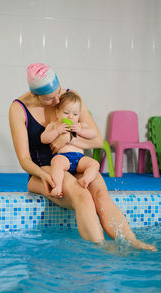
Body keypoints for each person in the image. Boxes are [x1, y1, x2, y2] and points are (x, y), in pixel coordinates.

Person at [9, 62, 157, 251]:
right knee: (83, 195)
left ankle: (132, 241)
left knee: (101, 194)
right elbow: (24, 160)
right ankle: (101, 246)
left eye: (58, 93)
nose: (57, 101)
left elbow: (96, 141)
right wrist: (45, 176)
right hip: (43, 171)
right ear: (35, 95)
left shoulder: (69, 97)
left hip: (74, 161)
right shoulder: (18, 109)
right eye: (50, 99)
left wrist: (67, 140)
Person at [41, 91, 100, 197]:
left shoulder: (80, 125)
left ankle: (85, 179)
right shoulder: (55, 125)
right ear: (57, 112)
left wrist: (80, 131)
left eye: (75, 114)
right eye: (66, 113)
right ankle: (57, 187)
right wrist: (57, 131)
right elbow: (43, 138)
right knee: (56, 164)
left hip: (79, 158)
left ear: (79, 116)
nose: (70, 117)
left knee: (94, 164)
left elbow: (94, 134)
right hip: (63, 157)